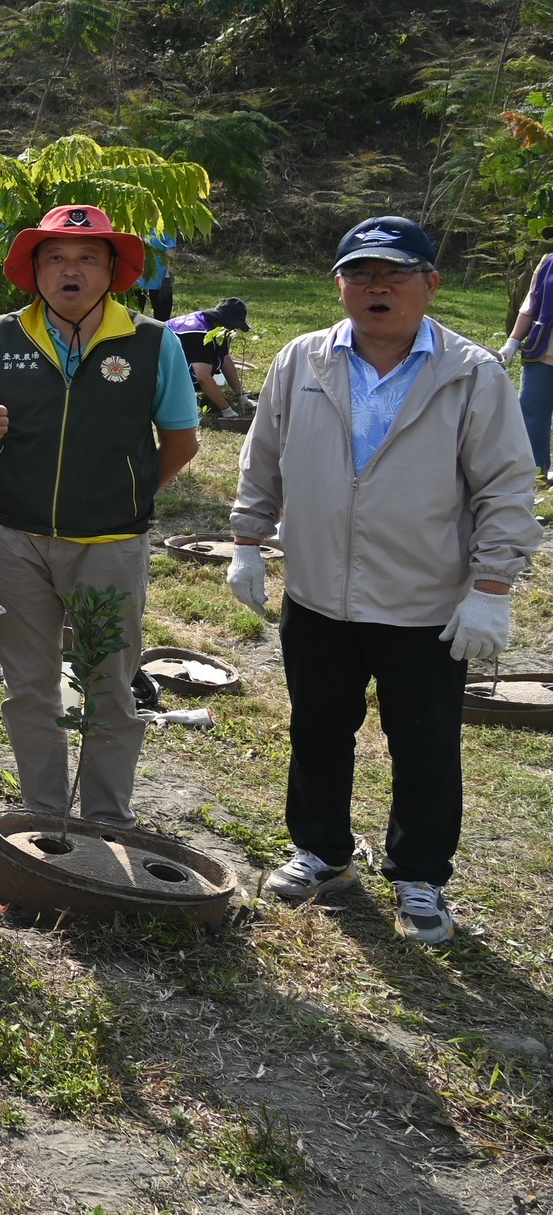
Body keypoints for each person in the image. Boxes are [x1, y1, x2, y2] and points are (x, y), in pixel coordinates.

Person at [228, 215, 538, 945]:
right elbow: (261, 454)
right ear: (337, 284)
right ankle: (321, 852)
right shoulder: (301, 360)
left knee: (425, 743)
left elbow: (505, 486)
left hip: (423, 601)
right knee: (317, 730)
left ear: (429, 284)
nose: (376, 288)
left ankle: (419, 875)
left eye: (394, 274)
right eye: (360, 273)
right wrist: (246, 539)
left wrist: (491, 588)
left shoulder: (469, 373)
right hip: (317, 595)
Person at [0, 204, 199, 827]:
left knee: (110, 681)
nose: (71, 270)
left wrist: (128, 493)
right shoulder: (0, 336)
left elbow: (182, 440)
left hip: (111, 542)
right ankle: (44, 812)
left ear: (114, 269)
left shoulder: (150, 342)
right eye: (55, 257)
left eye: (88, 257)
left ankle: (108, 817)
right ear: (35, 271)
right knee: (29, 684)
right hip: (17, 537)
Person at [500, 243, 553, 484]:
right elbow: (530, 306)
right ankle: (535, 473)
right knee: (532, 415)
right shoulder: (547, 263)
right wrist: (513, 340)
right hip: (543, 353)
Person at [166, 297, 252, 417]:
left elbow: (225, 359)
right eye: (234, 327)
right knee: (189, 406)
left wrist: (241, 395)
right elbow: (203, 377)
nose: (234, 330)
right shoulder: (201, 334)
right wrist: (226, 410)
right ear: (226, 322)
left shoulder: (219, 330)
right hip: (159, 371)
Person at [138, 233, 177, 320]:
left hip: (152, 280)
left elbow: (170, 251)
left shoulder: (164, 224)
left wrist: (168, 278)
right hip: (145, 280)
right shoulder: (165, 226)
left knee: (161, 319)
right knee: (162, 320)